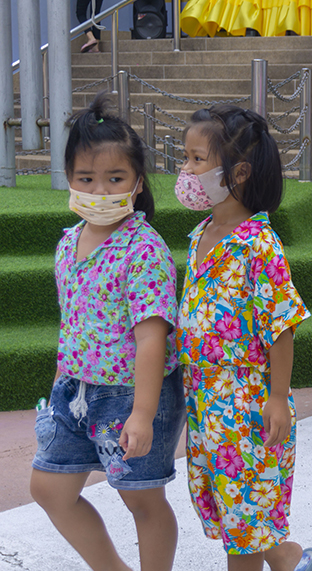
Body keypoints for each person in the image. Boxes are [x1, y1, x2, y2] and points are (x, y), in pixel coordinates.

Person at [29, 93, 185, 571]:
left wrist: (142, 414)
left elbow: (151, 338)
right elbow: (72, 322)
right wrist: (61, 381)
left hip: (131, 396)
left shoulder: (144, 249)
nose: (99, 191)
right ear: (69, 178)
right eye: (86, 179)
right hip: (74, 391)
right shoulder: (68, 242)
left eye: (115, 178)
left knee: (142, 499)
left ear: (137, 183)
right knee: (49, 488)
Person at [174, 106, 312, 571]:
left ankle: (277, 557)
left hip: (245, 404)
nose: (186, 170)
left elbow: (281, 325)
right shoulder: (202, 234)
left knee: (243, 525)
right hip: (204, 402)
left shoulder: (259, 243)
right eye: (186, 157)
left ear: (238, 173)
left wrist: (278, 397)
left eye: (197, 160)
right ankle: (288, 558)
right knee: (236, 511)